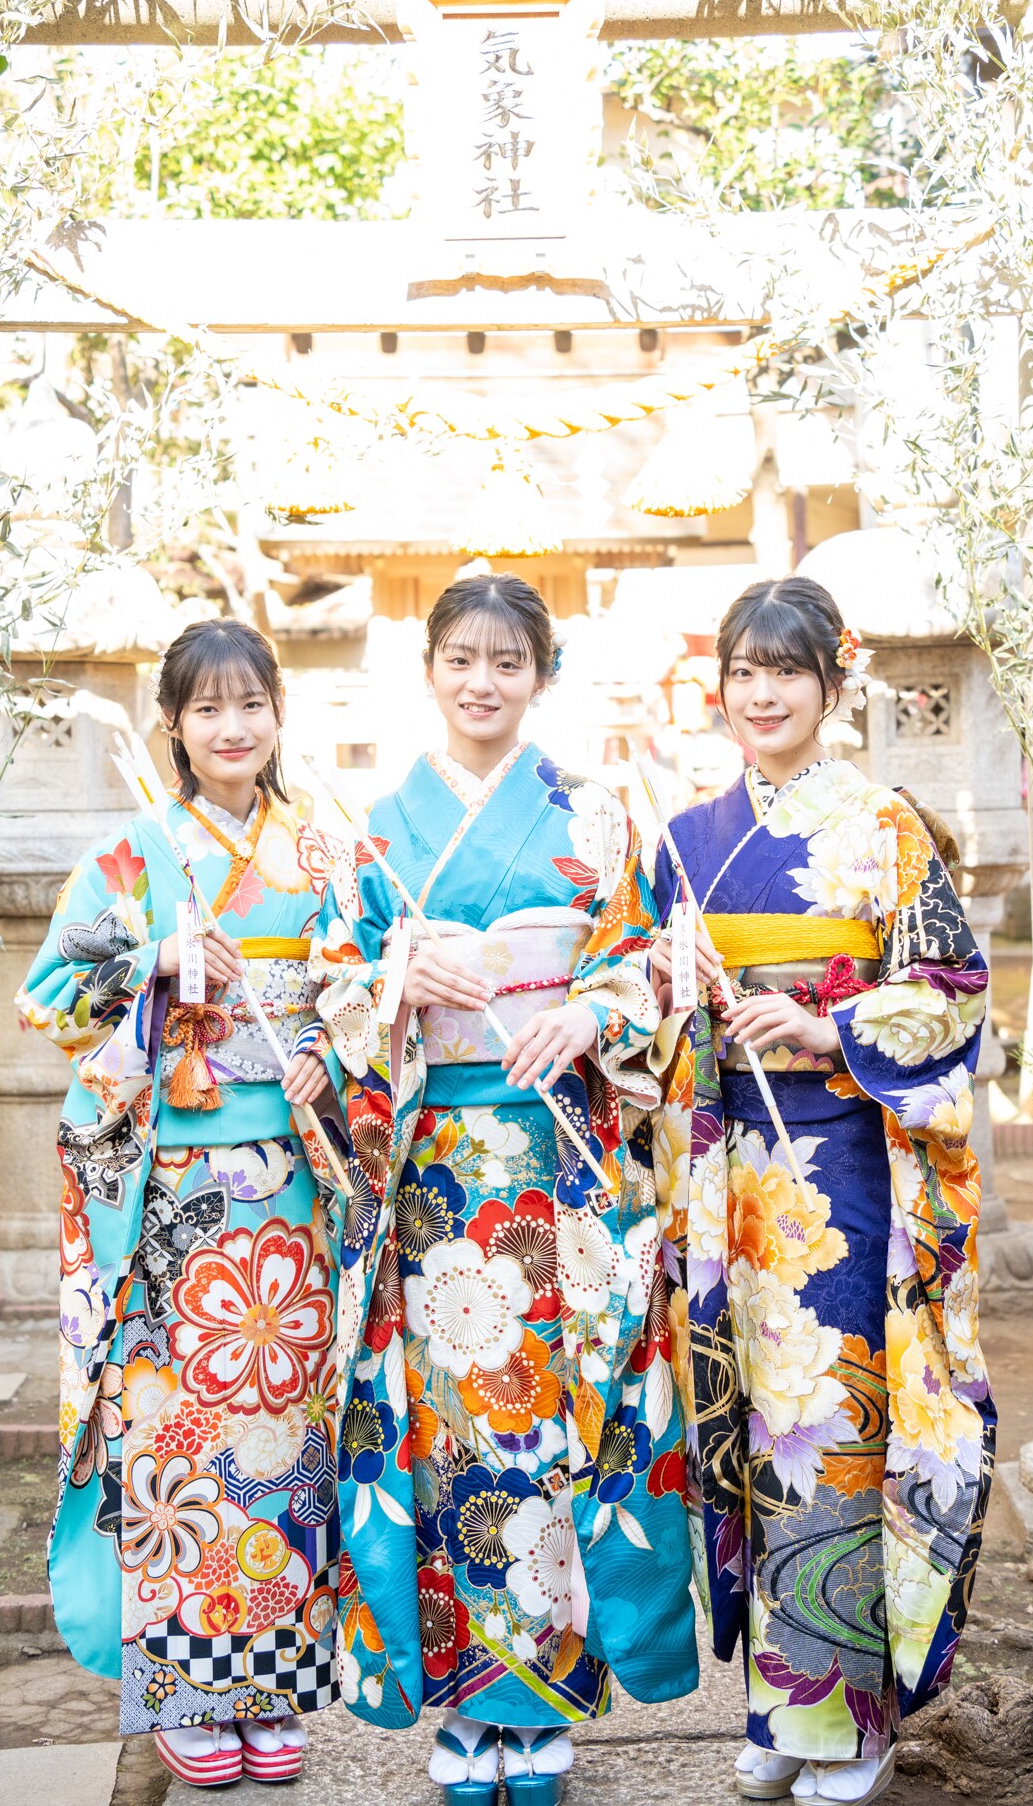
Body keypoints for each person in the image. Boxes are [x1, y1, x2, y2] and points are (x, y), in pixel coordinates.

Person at [309, 573, 697, 1806]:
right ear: (429, 669)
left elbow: (650, 963)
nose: (482, 683)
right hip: (433, 1177)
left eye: (508, 663)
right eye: (461, 659)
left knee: (555, 1423)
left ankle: (546, 1700)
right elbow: (331, 987)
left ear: (543, 677)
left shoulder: (597, 815)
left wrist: (588, 1008)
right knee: (447, 1436)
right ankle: (466, 1711)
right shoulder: (372, 828)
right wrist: (389, 991)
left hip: (565, 1171)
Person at [649, 576, 994, 1806]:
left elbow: (950, 992)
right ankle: (771, 1708)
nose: (761, 694)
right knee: (744, 1431)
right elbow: (634, 1010)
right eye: (743, 672)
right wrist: (667, 975)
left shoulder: (884, 825)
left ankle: (846, 1719)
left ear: (829, 686)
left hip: (840, 1168)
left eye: (786, 672)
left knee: (835, 1429)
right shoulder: (683, 839)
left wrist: (825, 1017)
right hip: (729, 1180)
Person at [17, 619, 345, 1788]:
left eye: (250, 704)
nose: (231, 728)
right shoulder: (131, 853)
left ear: (276, 717)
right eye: (207, 709)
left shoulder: (322, 848)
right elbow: (48, 999)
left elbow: (362, 991)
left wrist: (325, 1052)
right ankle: (186, 1692)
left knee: (285, 1442)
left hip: (288, 1184)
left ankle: (274, 1685)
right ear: (173, 725)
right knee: (177, 1444)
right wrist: (150, 960)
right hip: (170, 1193)